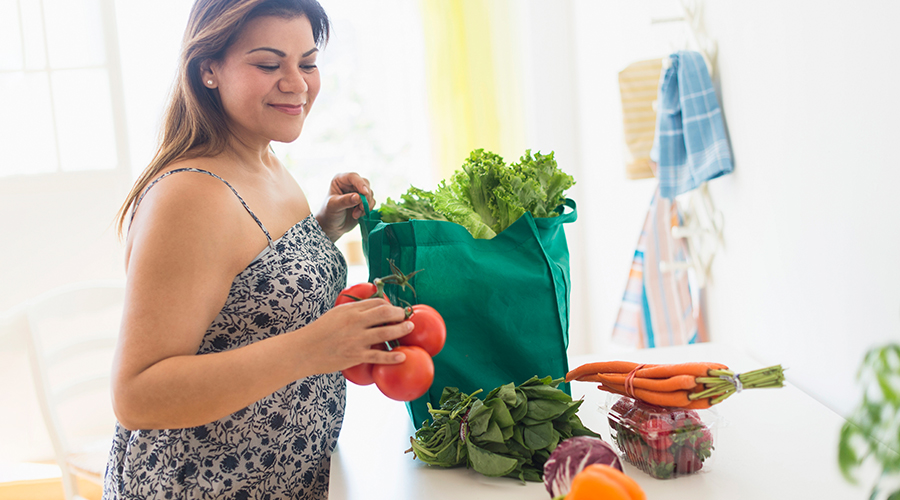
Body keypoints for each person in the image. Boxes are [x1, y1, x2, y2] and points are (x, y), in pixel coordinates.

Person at [104, 1, 412, 498]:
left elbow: (246, 290)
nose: (296, 83)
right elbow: (137, 395)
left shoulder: (263, 158)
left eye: (307, 63)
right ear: (208, 69)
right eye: (269, 64)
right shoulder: (189, 194)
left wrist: (321, 230)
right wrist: (313, 349)